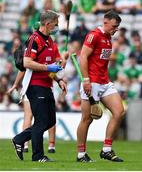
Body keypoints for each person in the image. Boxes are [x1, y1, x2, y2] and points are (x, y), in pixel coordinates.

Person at [11, 10, 67, 162]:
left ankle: (19, 139)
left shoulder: (50, 41)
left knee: (50, 121)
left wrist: (58, 80)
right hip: (35, 86)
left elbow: (56, 64)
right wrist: (49, 68)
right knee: (42, 121)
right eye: (56, 24)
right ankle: (38, 156)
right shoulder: (34, 39)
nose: (57, 26)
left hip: (46, 85)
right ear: (47, 24)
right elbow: (27, 62)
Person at [76, 10, 125, 162]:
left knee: (119, 111)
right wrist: (86, 80)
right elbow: (83, 56)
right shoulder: (94, 35)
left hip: (104, 81)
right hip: (92, 82)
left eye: (117, 27)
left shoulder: (108, 37)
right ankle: (81, 154)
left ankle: (106, 150)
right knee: (87, 119)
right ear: (106, 22)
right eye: (114, 26)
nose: (116, 29)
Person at [7, 71, 57, 153]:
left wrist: (58, 80)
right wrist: (16, 84)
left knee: (46, 121)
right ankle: (48, 147)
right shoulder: (33, 58)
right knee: (38, 120)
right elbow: (25, 66)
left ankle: (22, 142)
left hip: (40, 86)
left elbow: (48, 72)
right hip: (35, 86)